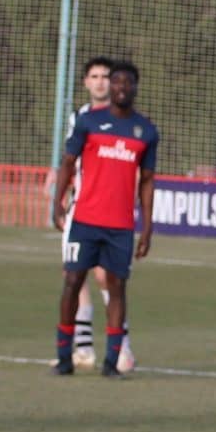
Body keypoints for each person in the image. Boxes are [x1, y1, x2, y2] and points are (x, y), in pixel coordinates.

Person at [51, 60, 157, 378]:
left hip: (121, 224)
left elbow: (147, 180)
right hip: (84, 218)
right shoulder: (88, 122)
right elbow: (68, 163)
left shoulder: (146, 130)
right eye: (117, 82)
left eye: (128, 83)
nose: (121, 88)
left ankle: (112, 361)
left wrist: (147, 227)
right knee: (72, 281)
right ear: (110, 87)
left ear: (135, 88)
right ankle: (64, 356)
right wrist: (57, 202)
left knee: (116, 287)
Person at [62, 56, 135, 373]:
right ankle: (84, 349)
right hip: (81, 207)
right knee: (73, 277)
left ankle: (123, 349)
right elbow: (71, 158)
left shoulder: (128, 120)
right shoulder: (79, 117)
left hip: (111, 212)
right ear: (86, 83)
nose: (101, 81)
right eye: (94, 76)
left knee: (108, 277)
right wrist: (62, 193)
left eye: (106, 76)